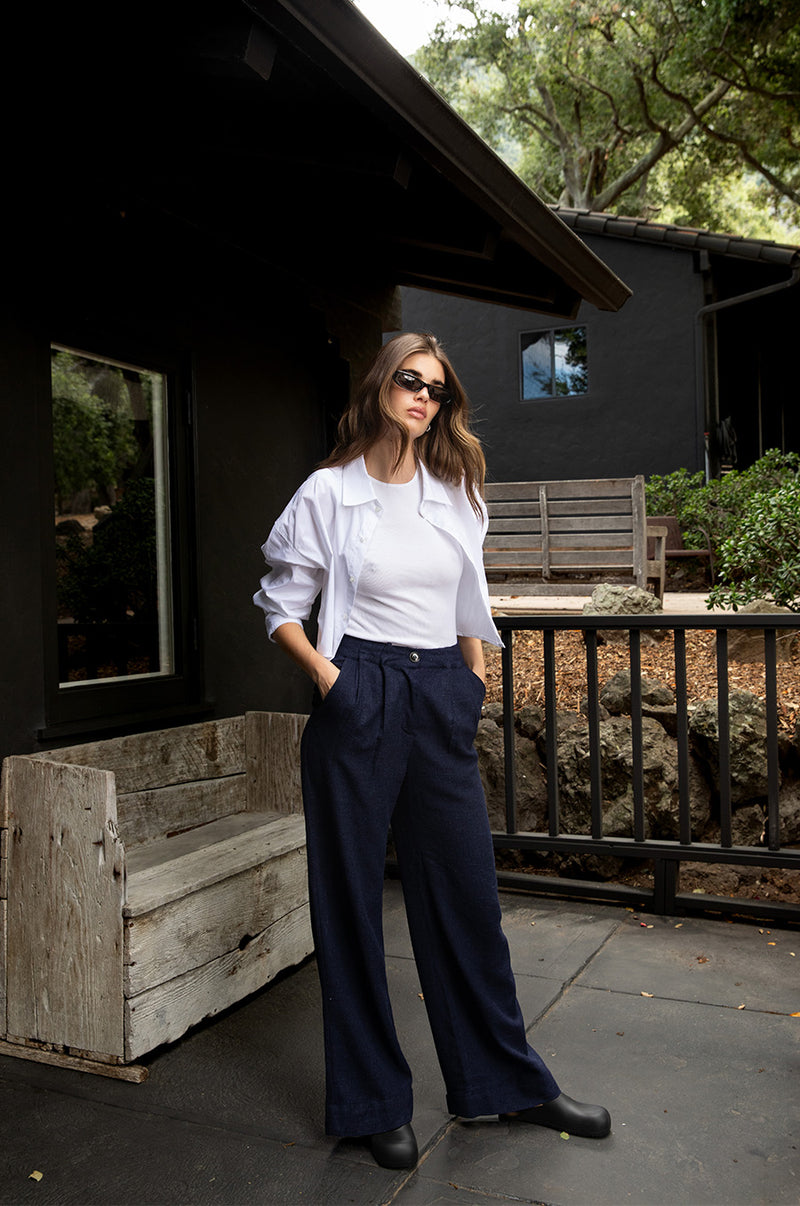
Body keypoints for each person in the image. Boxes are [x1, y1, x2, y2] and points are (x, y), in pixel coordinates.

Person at [253, 332, 610, 1169]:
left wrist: (474, 679)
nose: (423, 398)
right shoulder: (327, 493)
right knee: (350, 903)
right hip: (362, 688)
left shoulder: (456, 491)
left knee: (465, 896)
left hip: (441, 690)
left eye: (437, 391)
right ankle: (374, 1102)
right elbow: (278, 601)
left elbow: (465, 600)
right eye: (410, 382)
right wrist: (332, 679)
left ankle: (503, 1084)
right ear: (381, 387)